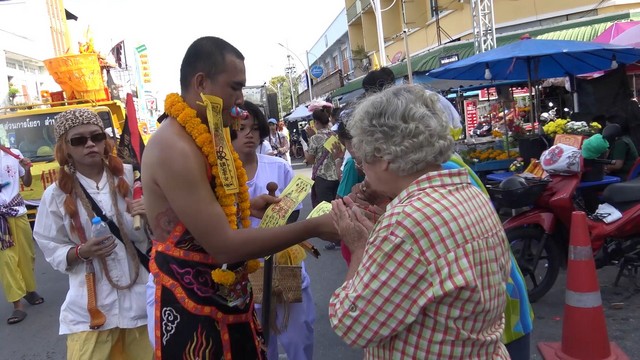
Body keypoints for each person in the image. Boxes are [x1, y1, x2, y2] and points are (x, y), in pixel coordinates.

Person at [141, 36, 335, 359]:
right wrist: (313, 228)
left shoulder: (206, 135)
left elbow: (210, 211)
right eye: (235, 87)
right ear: (201, 83)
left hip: (227, 293)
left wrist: (249, 207)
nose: (241, 100)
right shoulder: (174, 146)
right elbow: (224, 246)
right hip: (191, 301)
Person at [328, 84, 511, 358]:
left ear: (384, 156)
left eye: (361, 160)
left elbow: (351, 323)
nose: (362, 169)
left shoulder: (406, 222)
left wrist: (359, 249)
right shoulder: (469, 193)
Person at [33, 108, 152, 359]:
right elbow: (48, 241)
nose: (90, 144)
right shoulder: (55, 194)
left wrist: (152, 213)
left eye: (96, 137)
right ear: (66, 148)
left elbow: (166, 232)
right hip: (91, 309)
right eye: (79, 140)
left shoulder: (135, 179)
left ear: (105, 141)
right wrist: (79, 252)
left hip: (141, 304)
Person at [233, 101, 315, 360]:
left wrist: (279, 215)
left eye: (255, 128)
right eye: (241, 128)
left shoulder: (278, 167)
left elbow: (295, 213)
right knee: (257, 341)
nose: (250, 134)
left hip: (283, 261)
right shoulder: (217, 174)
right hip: (245, 267)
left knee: (299, 335)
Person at [0, 137, 43, 325]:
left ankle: (29, 290)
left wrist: (27, 169)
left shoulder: (13, 154)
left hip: (18, 212)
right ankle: (17, 305)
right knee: (7, 261)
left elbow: (25, 181)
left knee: (27, 255)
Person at [304, 109, 340, 208]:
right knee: (336, 207)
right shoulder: (335, 135)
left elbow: (311, 160)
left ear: (316, 122)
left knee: (325, 209)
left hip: (322, 177)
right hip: (337, 175)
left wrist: (305, 149)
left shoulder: (315, 138)